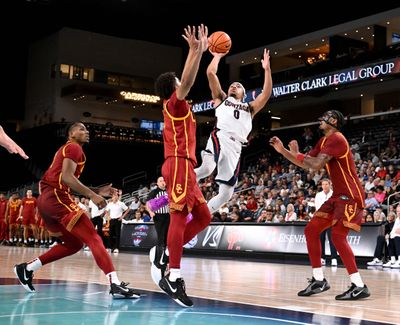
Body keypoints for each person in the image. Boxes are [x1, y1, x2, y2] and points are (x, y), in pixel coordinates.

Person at [13, 122, 140, 298]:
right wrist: (92, 196)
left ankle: (27, 268)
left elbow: (65, 179)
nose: (86, 132)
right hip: (56, 198)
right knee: (94, 238)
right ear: (71, 134)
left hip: (46, 201)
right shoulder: (73, 147)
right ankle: (115, 283)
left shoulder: (68, 149)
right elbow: (67, 178)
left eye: (87, 129)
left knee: (74, 244)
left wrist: (96, 190)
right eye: (81, 129)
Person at [269, 110, 370, 300]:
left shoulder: (337, 139)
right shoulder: (323, 141)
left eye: (323, 118)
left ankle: (359, 285)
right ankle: (318, 280)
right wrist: (283, 151)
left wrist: (297, 154)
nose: (319, 120)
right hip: (337, 196)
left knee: (338, 236)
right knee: (311, 230)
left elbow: (315, 164)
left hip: (350, 195)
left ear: (332, 121)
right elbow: (307, 164)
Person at [153, 24, 211, 307]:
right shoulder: (174, 104)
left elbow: (186, 80)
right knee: (178, 218)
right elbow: (187, 83)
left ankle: (164, 253)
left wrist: (198, 50)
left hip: (184, 166)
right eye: (177, 81)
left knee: (203, 217)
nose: (182, 83)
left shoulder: (178, 105)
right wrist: (193, 51)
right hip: (177, 164)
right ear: (172, 88)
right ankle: (173, 276)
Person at [194, 48, 272, 214]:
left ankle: (201, 216)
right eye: (232, 85)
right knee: (207, 169)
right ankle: (176, 186)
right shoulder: (221, 99)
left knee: (226, 193)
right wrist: (217, 56)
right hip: (220, 135)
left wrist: (267, 69)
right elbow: (210, 73)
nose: (234, 86)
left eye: (238, 86)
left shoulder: (249, 107)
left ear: (244, 94)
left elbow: (266, 94)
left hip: (235, 147)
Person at [146, 176, 170, 285]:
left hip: (169, 216)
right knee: (161, 238)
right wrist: (150, 212)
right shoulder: (154, 192)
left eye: (164, 180)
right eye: (160, 181)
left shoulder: (169, 191)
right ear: (157, 183)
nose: (163, 182)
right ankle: (160, 259)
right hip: (159, 217)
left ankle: (167, 258)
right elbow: (147, 204)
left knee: (169, 237)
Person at [315, 179, 338, 266]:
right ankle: (322, 257)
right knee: (321, 239)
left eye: (326, 184)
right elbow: (318, 207)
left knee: (332, 239)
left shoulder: (334, 194)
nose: (324, 186)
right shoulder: (318, 195)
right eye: (323, 184)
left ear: (330, 185)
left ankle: (334, 258)